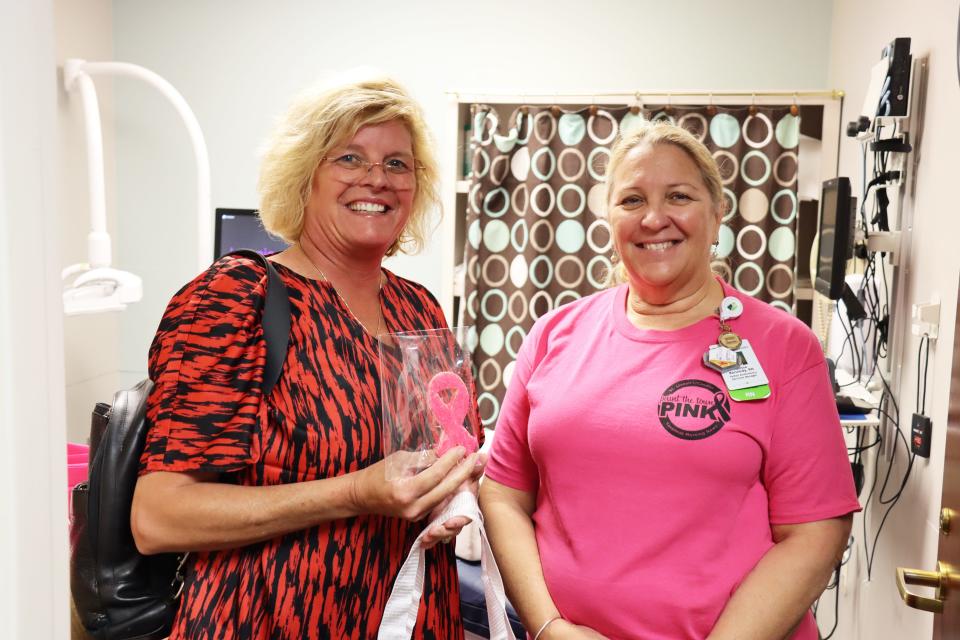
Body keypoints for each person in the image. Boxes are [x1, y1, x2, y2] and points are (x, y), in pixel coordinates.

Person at [131, 73, 484, 639]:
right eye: (349, 157)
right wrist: (354, 493)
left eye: (398, 164)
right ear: (305, 177)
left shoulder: (420, 309)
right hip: (270, 618)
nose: (377, 179)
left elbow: (448, 454)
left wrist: (452, 490)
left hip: (412, 613)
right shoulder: (236, 297)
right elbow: (158, 517)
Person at [479, 120, 860, 640]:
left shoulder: (784, 347)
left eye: (678, 196)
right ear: (609, 218)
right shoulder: (554, 334)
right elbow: (503, 494)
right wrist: (548, 628)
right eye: (632, 200)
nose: (655, 218)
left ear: (717, 212)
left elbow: (815, 533)